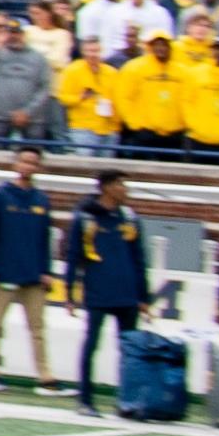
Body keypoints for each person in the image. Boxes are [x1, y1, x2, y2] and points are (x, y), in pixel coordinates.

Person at [62, 173, 150, 417]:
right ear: (106, 188)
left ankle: (127, 402)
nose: (125, 189)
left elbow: (139, 259)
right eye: (121, 184)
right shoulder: (86, 218)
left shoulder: (130, 218)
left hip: (127, 293)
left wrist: (144, 297)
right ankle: (85, 400)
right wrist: (69, 292)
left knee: (129, 351)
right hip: (99, 291)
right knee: (91, 345)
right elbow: (73, 257)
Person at [0, 150, 61, 394]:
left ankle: (44, 375)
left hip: (33, 275)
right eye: (24, 161)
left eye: (34, 163)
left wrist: (46, 270)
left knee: (37, 328)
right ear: (15, 163)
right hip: (5, 273)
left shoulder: (41, 200)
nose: (28, 166)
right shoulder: (0, 196)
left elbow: (45, 240)